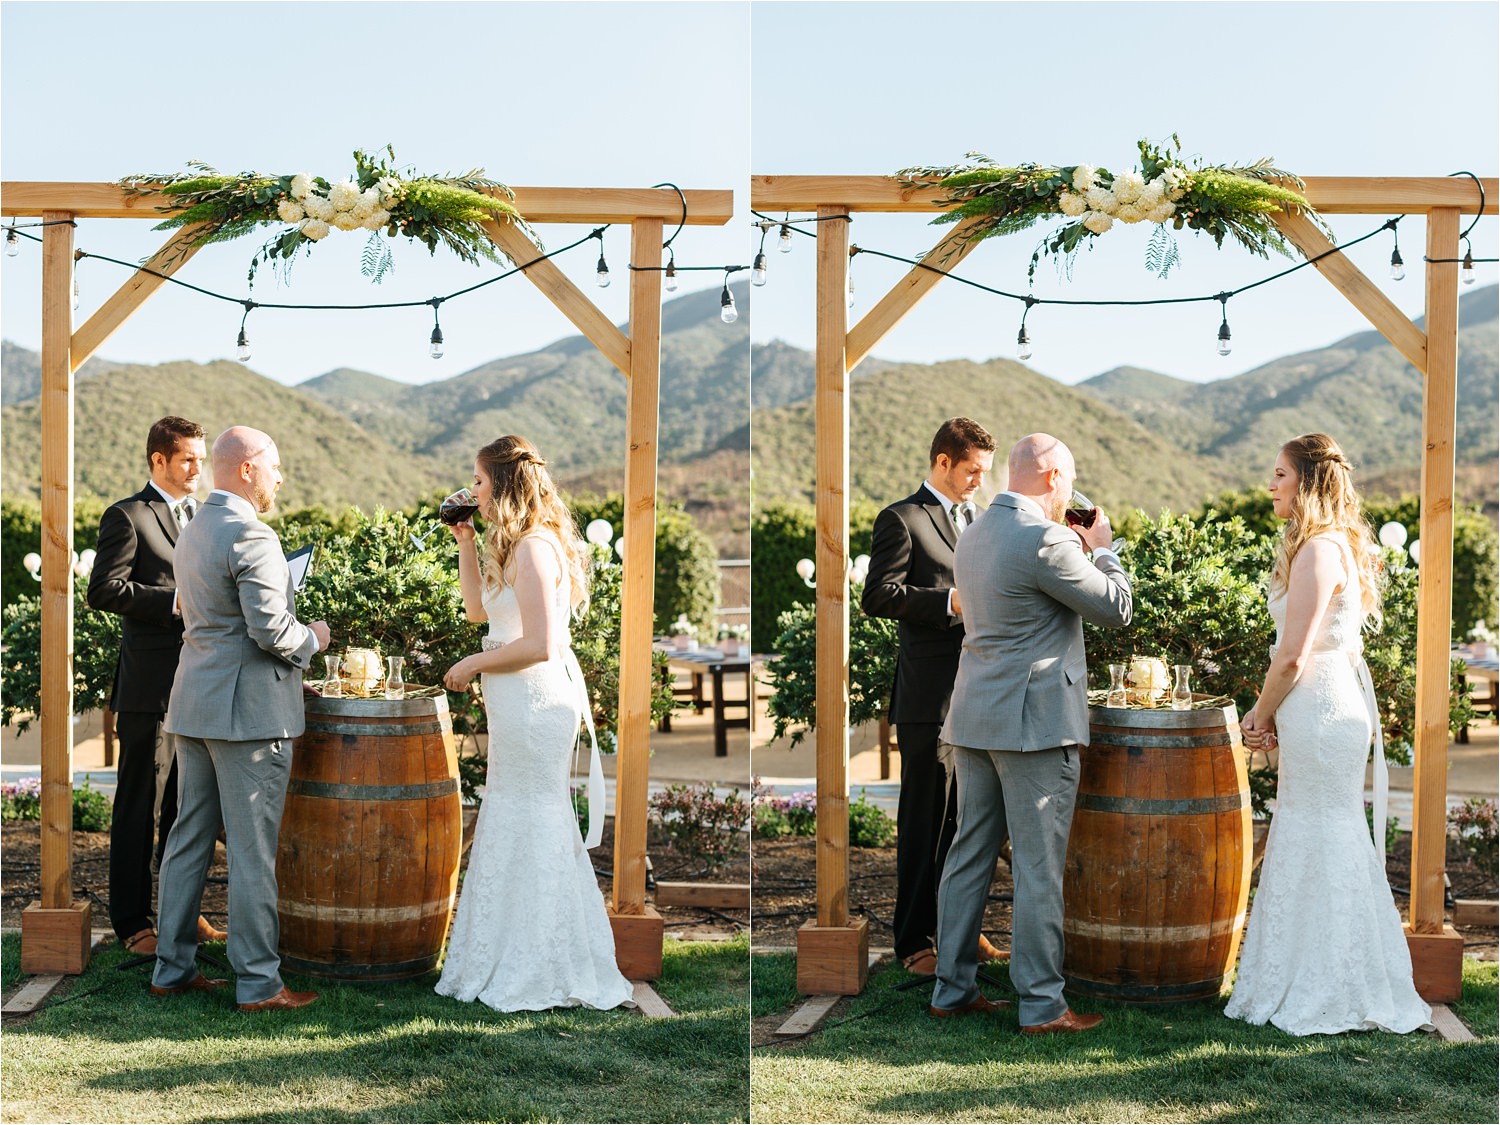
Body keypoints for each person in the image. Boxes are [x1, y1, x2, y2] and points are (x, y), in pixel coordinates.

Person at [1226, 433, 1432, 1036]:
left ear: (1309, 482)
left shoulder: (1318, 550)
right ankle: (1332, 973)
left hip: (1317, 706)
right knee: (1320, 830)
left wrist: (1260, 715)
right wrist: (1274, 717)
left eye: (1281, 474)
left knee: (1321, 830)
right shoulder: (1329, 545)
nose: (1271, 484)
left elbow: (1292, 656)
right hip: (1319, 706)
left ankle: (1329, 982)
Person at [932, 433, 1131, 1034]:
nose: (1069, 493)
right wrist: (1103, 548)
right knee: (1039, 868)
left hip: (973, 719)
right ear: (1051, 478)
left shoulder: (974, 533)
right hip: (1033, 728)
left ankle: (951, 989)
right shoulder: (1046, 540)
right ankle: (1044, 1006)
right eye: (1067, 482)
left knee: (969, 855)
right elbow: (1117, 609)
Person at [434, 435, 634, 1012]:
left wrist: (474, 663)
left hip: (536, 700)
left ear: (503, 482)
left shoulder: (535, 548)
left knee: (535, 813)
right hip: (512, 698)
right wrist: (466, 544)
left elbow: (542, 644)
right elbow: (480, 612)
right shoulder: (510, 544)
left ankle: (545, 960)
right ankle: (506, 950)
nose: (472, 490)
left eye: (478, 480)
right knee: (512, 809)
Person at [150, 427, 331, 1011]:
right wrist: (316, 639)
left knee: (187, 839)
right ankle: (258, 983)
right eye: (274, 467)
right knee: (253, 851)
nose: (280, 478)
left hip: (195, 704)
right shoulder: (251, 533)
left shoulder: (195, 527)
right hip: (248, 717)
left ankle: (172, 968)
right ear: (248, 469)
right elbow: (272, 631)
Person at [862, 417, 1006, 977]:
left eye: (985, 473)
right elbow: (879, 594)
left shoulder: (981, 520)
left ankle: (961, 930)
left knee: (970, 821)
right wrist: (950, 603)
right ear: (943, 461)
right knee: (926, 820)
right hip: (930, 698)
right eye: (972, 470)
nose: (978, 482)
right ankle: (914, 942)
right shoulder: (901, 518)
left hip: (981, 690)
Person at [86, 417, 225, 955]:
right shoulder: (127, 515)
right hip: (150, 689)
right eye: (187, 459)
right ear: (158, 461)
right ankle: (132, 923)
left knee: (185, 810)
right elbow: (105, 589)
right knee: (139, 808)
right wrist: (171, 602)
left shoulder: (206, 517)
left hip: (201, 682)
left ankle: (181, 913)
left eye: (200, 458)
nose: (197, 468)